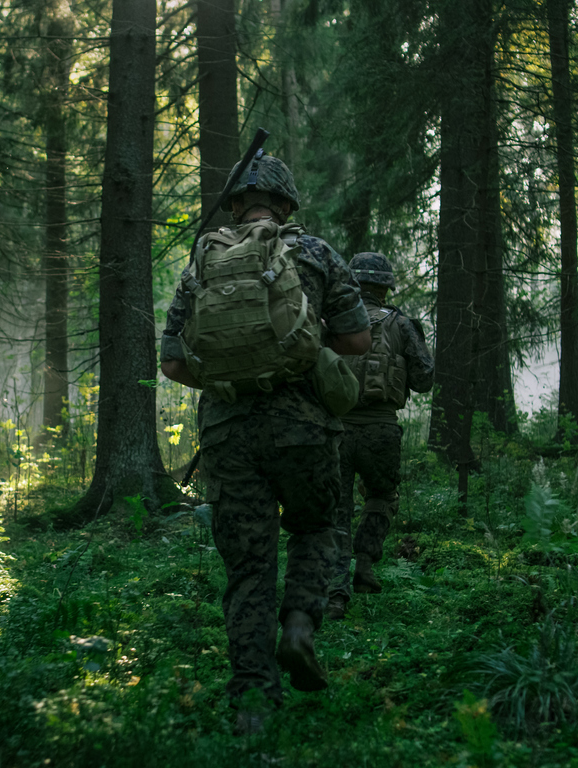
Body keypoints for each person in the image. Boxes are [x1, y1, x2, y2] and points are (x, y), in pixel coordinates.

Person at [160, 154, 370, 732]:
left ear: (234, 203)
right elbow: (356, 339)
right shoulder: (317, 254)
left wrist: (230, 377)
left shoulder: (203, 260)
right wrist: (303, 342)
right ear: (285, 203)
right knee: (316, 527)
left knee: (249, 569)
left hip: (229, 434)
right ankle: (300, 624)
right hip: (303, 427)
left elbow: (173, 359)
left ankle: (252, 701)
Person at [325, 252, 434, 620]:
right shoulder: (401, 324)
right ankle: (366, 565)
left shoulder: (334, 322)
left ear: (354, 284)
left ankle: (335, 593)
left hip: (336, 429)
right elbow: (424, 380)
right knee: (382, 496)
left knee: (336, 509)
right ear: (386, 288)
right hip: (381, 430)